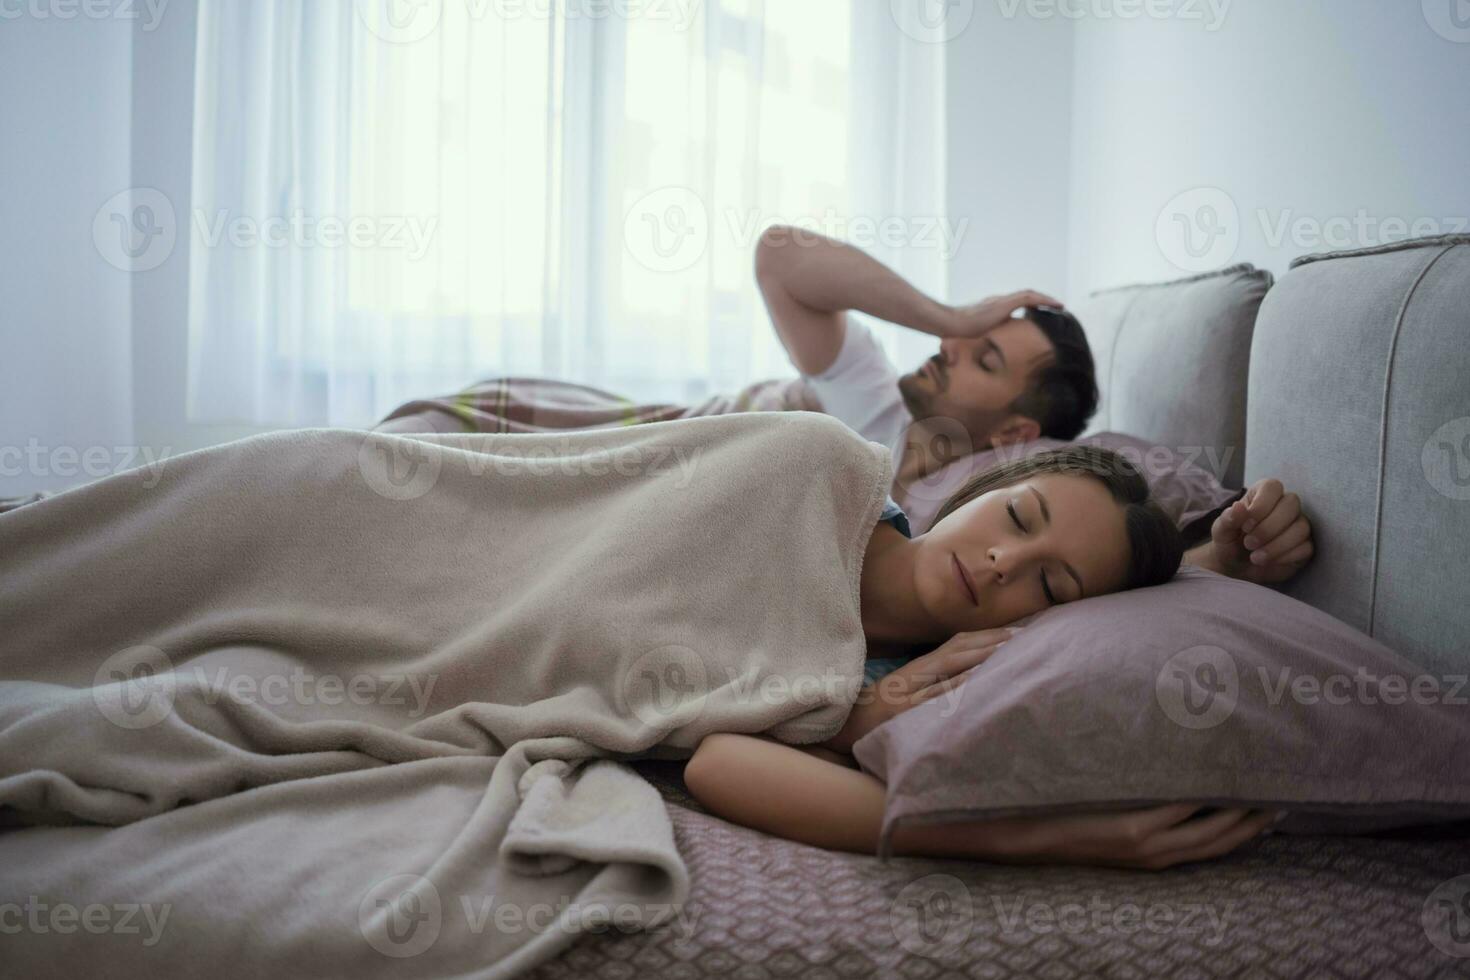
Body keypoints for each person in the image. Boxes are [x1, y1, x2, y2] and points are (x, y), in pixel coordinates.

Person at [686, 441, 1313, 870]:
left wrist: (1054, 841)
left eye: (1048, 584)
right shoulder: (829, 474)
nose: (1002, 563)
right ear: (988, 486)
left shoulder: (894, 687)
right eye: (1016, 516)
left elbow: (716, 764)